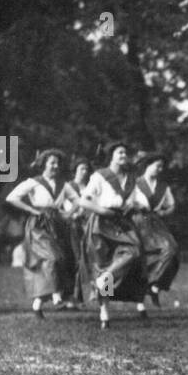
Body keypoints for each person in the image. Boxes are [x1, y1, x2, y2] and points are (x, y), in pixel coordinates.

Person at [76, 141, 149, 329]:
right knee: (102, 263)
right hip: (101, 224)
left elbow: (142, 201)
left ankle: (105, 277)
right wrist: (101, 210)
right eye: (120, 152)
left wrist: (136, 204)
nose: (124, 156)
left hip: (123, 223)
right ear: (111, 156)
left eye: (125, 153)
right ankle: (104, 314)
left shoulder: (131, 178)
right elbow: (84, 201)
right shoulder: (100, 176)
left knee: (134, 251)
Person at [6, 149, 71, 317]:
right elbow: (12, 197)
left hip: (57, 225)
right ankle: (56, 294)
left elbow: (78, 200)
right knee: (52, 258)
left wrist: (69, 213)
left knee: (57, 261)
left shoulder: (64, 184)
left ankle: (37, 305)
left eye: (58, 163)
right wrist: (31, 209)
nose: (56, 166)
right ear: (44, 164)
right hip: (39, 226)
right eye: (52, 163)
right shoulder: (34, 182)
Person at [131, 152, 181, 306]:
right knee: (138, 257)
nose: (160, 169)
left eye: (162, 167)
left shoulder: (163, 187)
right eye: (157, 166)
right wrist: (136, 205)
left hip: (155, 222)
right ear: (148, 165)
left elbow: (171, 204)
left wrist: (165, 212)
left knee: (172, 250)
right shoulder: (135, 183)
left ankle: (154, 285)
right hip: (137, 222)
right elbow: (127, 200)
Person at [58, 157, 92, 308]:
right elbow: (62, 205)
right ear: (75, 171)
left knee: (98, 259)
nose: (84, 172)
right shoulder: (68, 186)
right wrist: (72, 214)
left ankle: (106, 294)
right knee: (76, 260)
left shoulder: (91, 186)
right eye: (81, 169)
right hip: (73, 226)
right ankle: (74, 297)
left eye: (86, 169)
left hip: (90, 225)